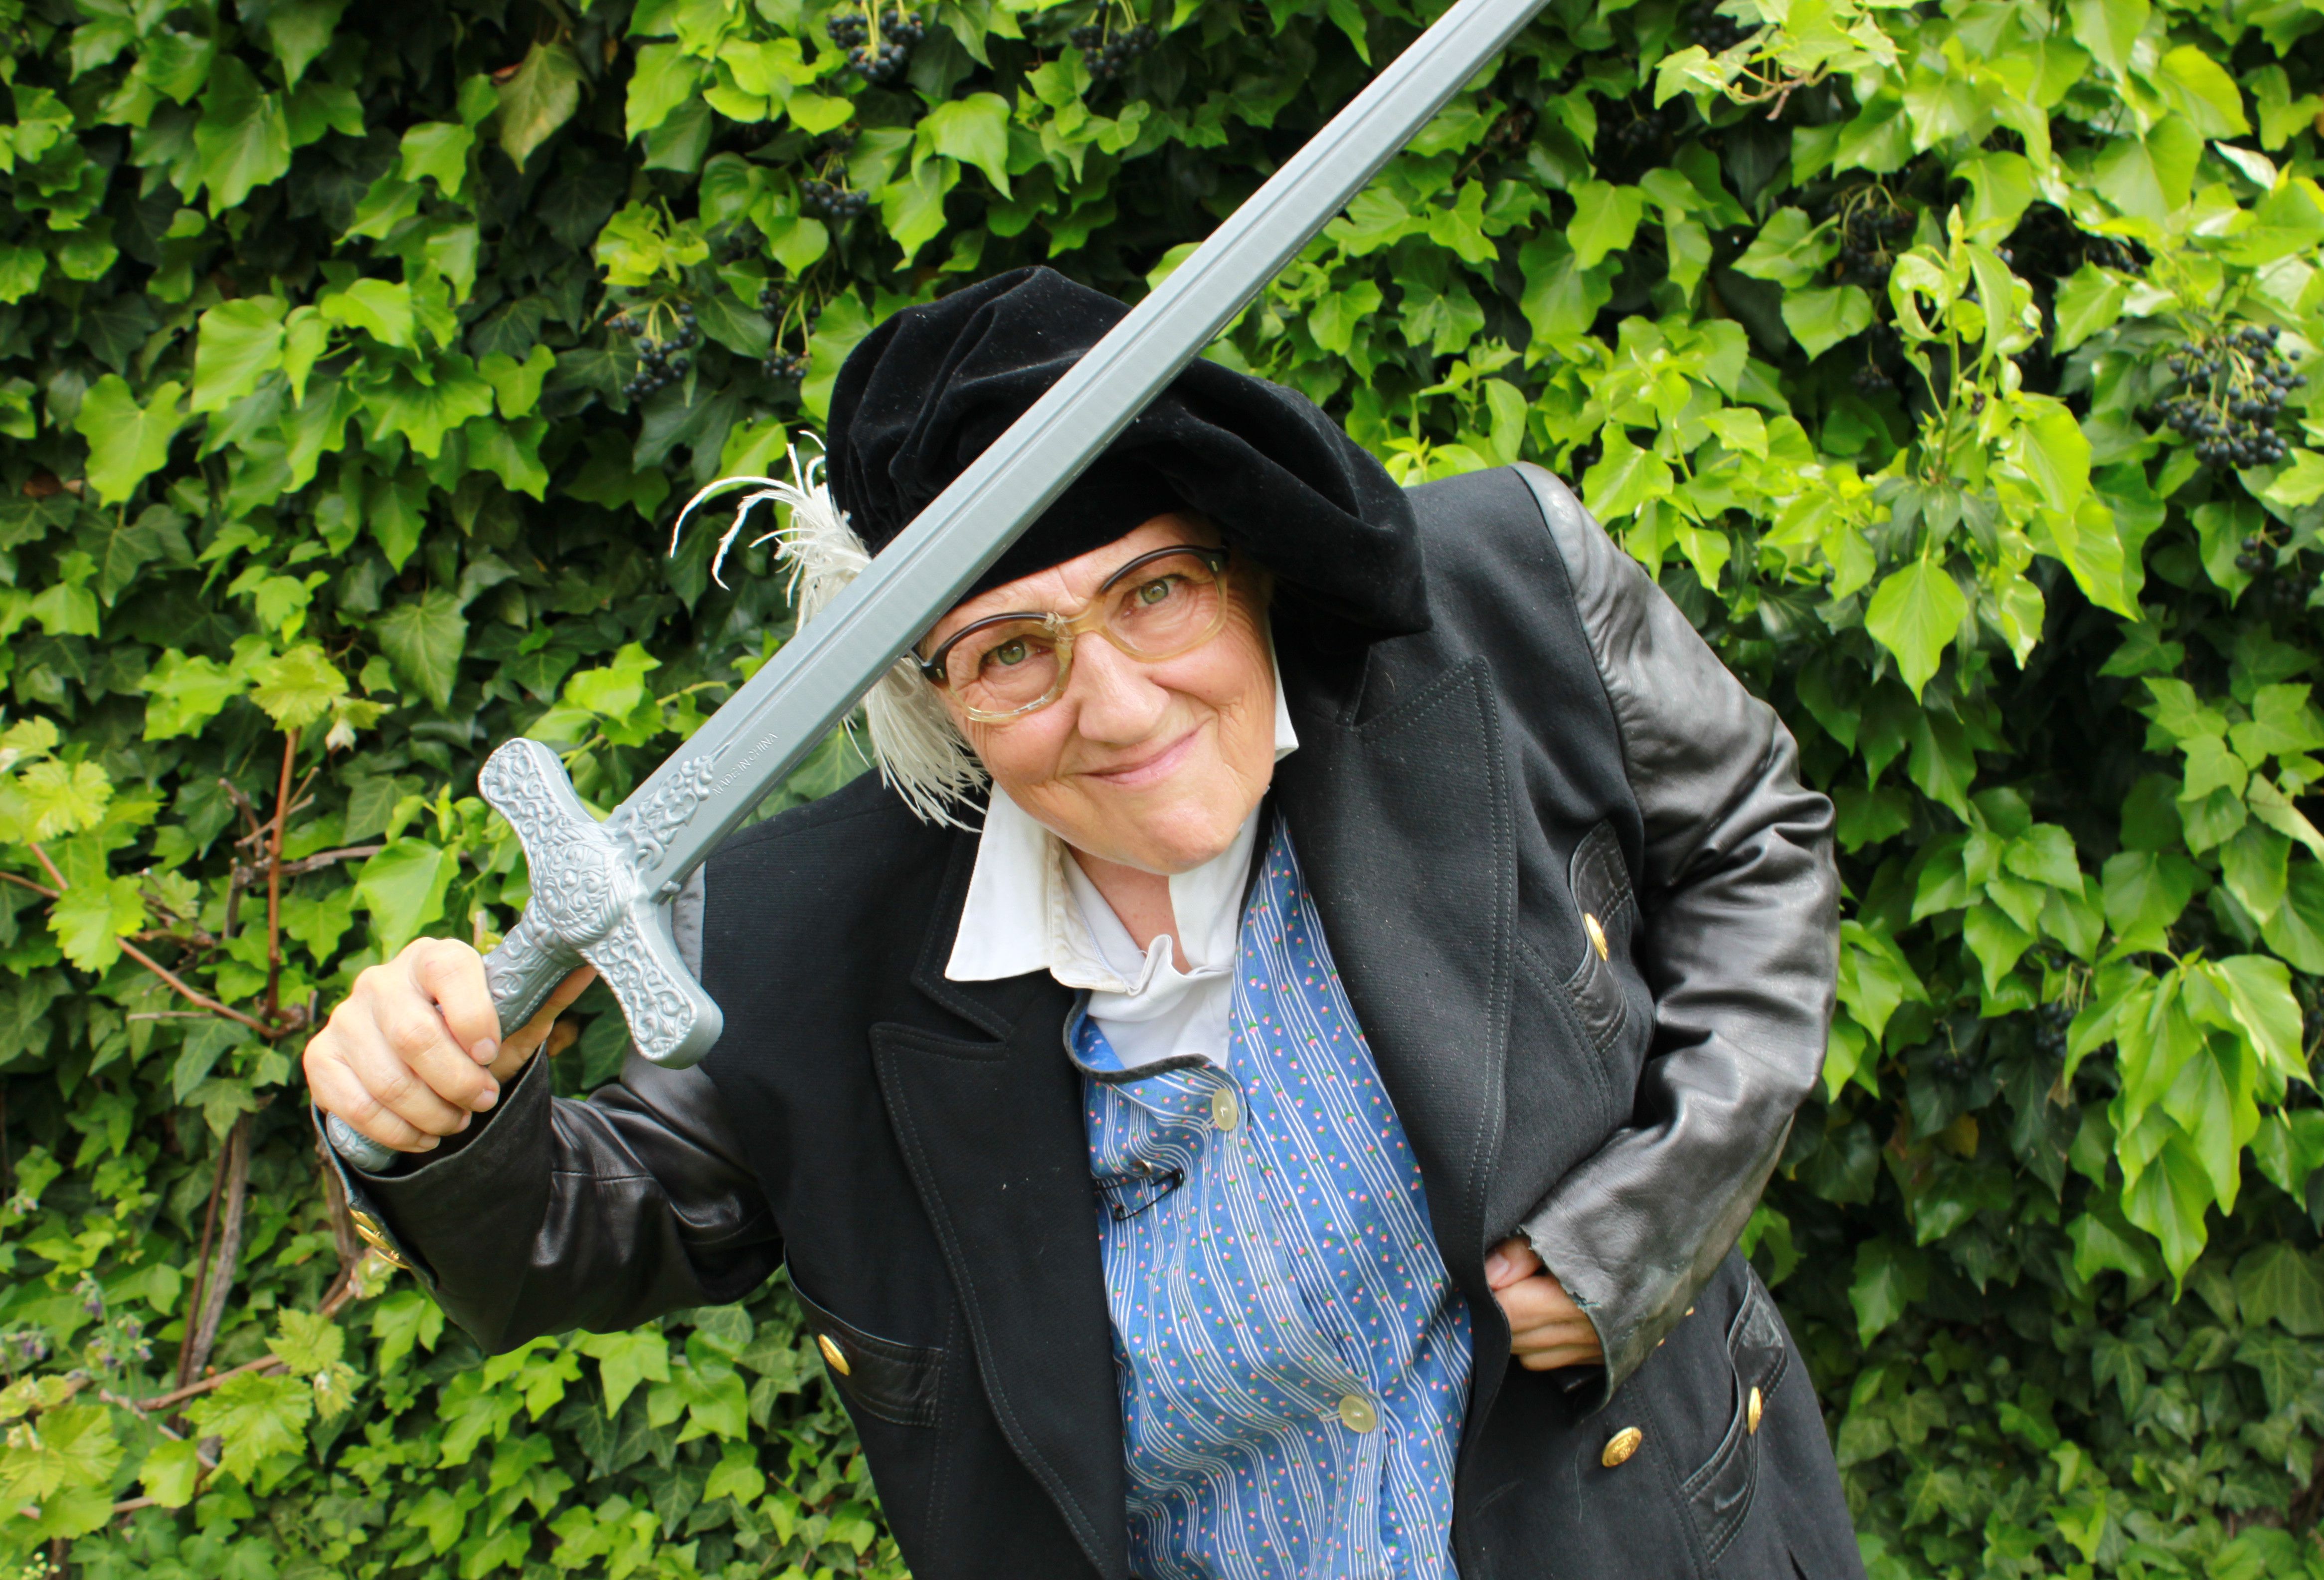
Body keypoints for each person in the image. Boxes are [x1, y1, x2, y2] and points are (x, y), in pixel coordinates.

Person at [305, 267, 1861, 1580]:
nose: (1116, 707)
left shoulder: (1504, 600)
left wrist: (1643, 1228)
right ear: (935, 696)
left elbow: (1753, 840)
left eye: (1156, 590)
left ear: (1246, 563)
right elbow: (584, 1224)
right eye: (1010, 652)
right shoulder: (805, 940)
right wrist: (426, 1112)